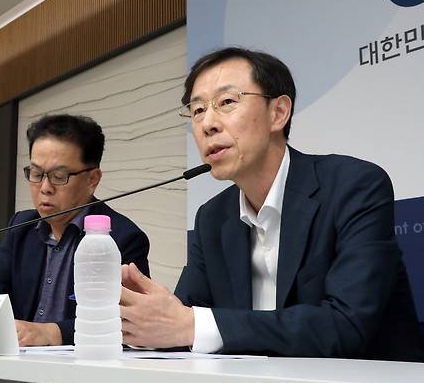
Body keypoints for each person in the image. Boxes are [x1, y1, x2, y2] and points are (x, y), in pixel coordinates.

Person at [119, 47, 423, 361]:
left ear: (278, 113)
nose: (207, 123)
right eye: (197, 110)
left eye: (226, 102)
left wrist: (190, 325)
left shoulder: (354, 186)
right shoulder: (213, 217)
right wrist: (147, 319)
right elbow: (186, 322)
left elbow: (348, 325)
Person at [0, 114, 150, 346]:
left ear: (92, 179)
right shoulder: (22, 227)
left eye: (59, 176)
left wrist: (51, 332)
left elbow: (126, 320)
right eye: (35, 174)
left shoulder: (121, 237)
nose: (44, 188)